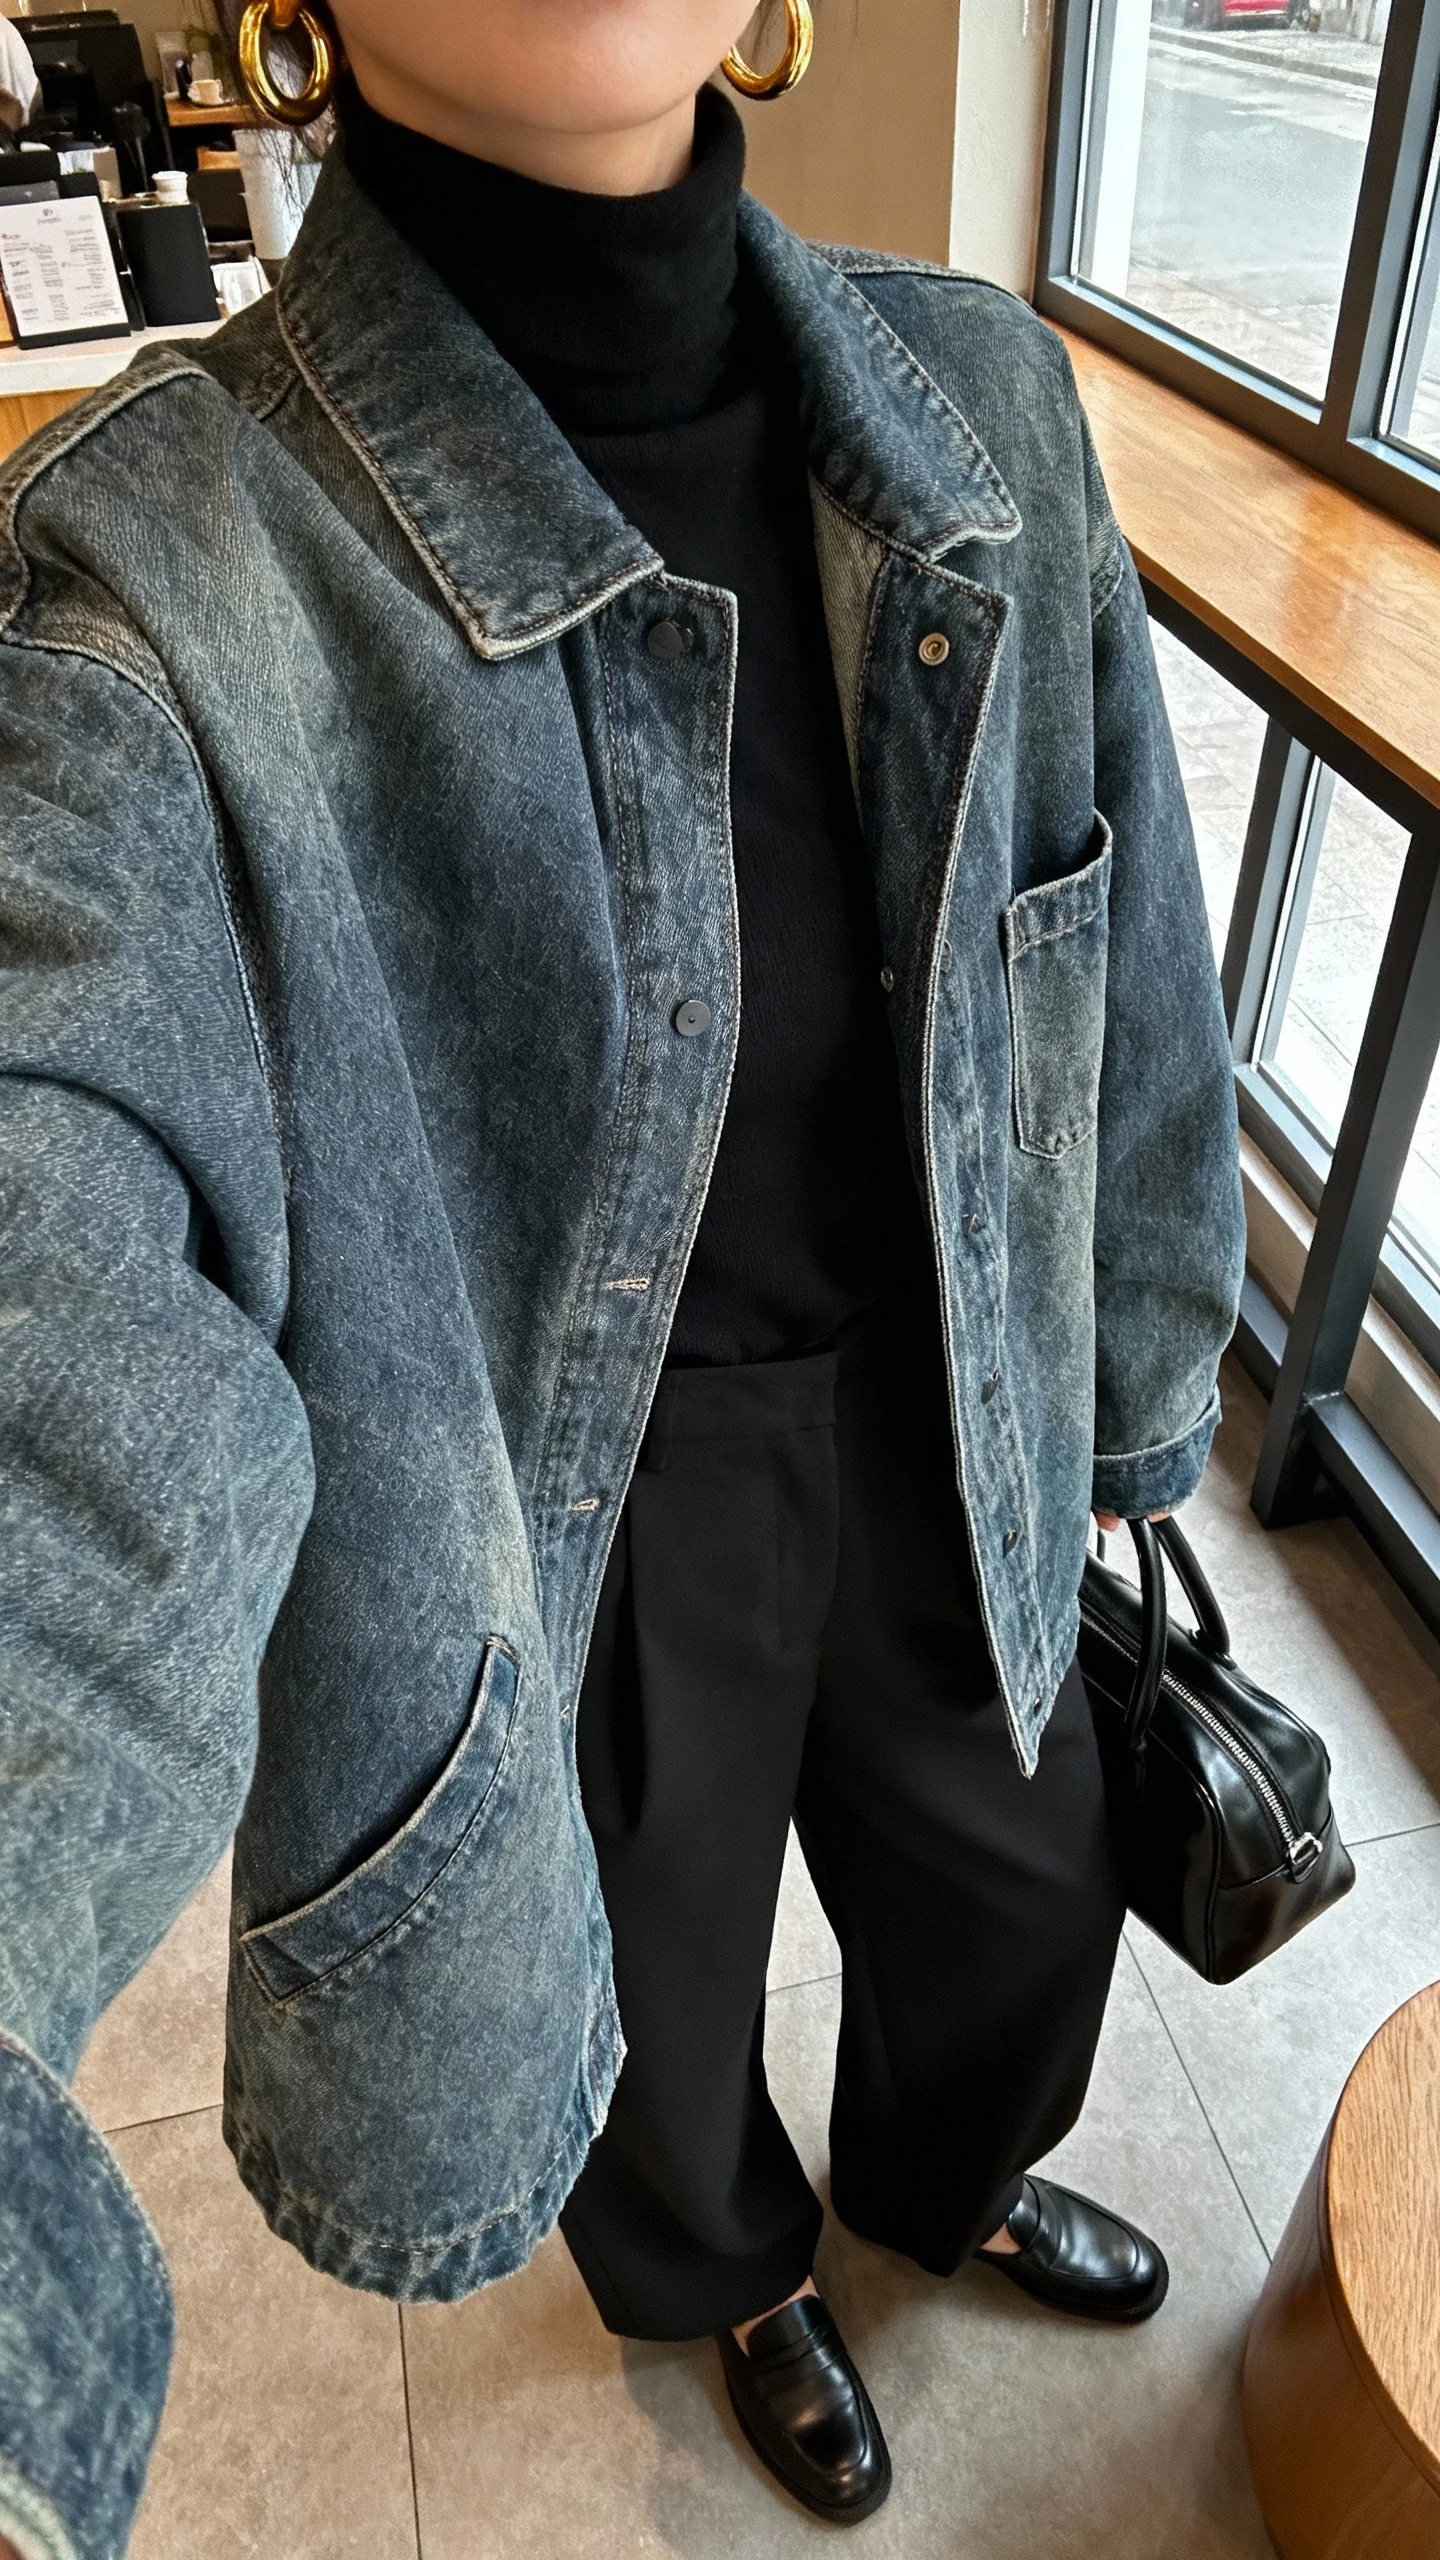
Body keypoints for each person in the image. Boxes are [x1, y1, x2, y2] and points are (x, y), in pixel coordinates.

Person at [0, 0, 1244, 2546]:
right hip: (583, 1493)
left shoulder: (984, 405)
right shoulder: (154, 582)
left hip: (949, 1395)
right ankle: (738, 2268)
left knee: (1018, 1895)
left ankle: (943, 2171)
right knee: (655, 1996)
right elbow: (52, 1330)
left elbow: (1124, 962)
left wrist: (1128, 1400)